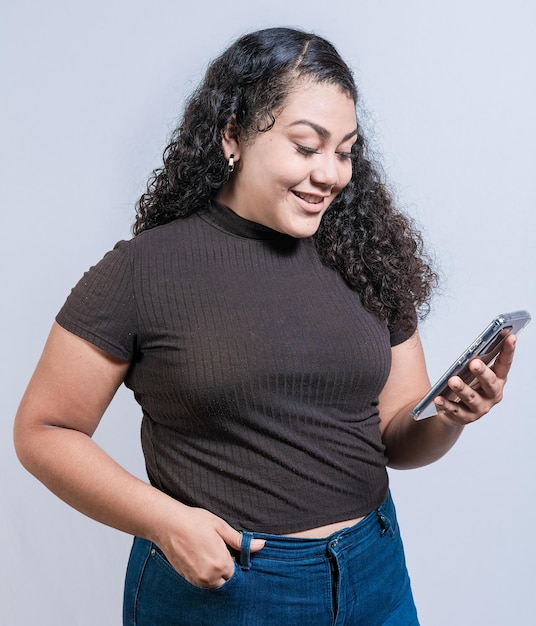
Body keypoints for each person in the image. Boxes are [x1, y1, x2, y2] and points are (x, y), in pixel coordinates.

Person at [14, 27, 516, 626]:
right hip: (226, 589)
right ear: (233, 135)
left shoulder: (367, 260)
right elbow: (43, 430)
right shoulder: (142, 271)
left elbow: (396, 438)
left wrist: (451, 415)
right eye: (307, 147)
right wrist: (163, 520)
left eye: (345, 150)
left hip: (373, 571)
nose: (330, 173)